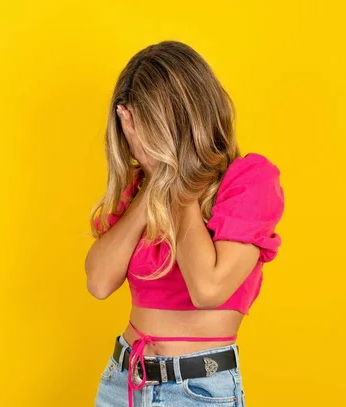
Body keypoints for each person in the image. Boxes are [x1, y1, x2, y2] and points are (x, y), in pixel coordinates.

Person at [85, 40, 284, 407]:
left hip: (196, 391)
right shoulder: (143, 187)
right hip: (122, 382)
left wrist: (180, 181)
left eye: (151, 130)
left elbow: (208, 290)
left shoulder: (250, 180)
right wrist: (155, 182)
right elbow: (98, 283)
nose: (139, 145)